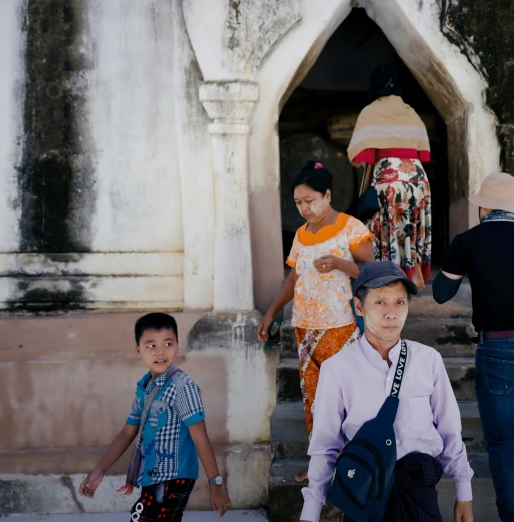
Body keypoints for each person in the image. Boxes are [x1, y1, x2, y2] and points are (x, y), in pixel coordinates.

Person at [301, 261, 474, 522]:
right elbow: (325, 447)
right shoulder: (337, 369)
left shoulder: (428, 360)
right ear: (359, 307)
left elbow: (450, 432)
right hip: (364, 498)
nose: (391, 313)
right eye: (380, 302)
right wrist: (310, 513)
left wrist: (464, 492)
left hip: (418, 496)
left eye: (399, 302)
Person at [432, 172, 514, 522]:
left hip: (500, 348)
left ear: (484, 206)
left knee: (499, 444)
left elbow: (442, 294)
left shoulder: (468, 241)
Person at [257, 161, 375, 481]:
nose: (304, 208)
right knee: (314, 398)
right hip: (305, 328)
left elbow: (375, 273)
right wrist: (270, 314)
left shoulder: (350, 227)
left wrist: (340, 263)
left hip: (342, 326)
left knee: (347, 397)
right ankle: (320, 465)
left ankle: (354, 461)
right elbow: (292, 279)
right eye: (298, 203)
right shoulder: (300, 235)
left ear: (327, 195)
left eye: (310, 200)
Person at [79, 312, 230, 521]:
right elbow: (127, 432)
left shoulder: (182, 387)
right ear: (138, 350)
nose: (160, 352)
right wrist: (99, 470)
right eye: (151, 346)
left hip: (172, 478)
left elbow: (200, 437)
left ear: (177, 344)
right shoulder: (145, 388)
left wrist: (216, 485)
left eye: (168, 344)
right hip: (152, 475)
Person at [348, 63, 433, 290]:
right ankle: (414, 271)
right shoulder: (410, 111)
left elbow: (360, 155)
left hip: (389, 178)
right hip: (417, 179)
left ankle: (390, 275)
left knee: (387, 228)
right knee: (412, 227)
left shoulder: (370, 112)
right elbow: (423, 153)